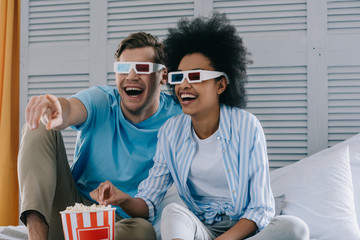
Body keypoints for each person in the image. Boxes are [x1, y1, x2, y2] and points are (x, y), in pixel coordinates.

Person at [90, 13, 310, 240]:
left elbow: (260, 209)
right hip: (200, 230)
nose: (184, 85)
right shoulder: (171, 132)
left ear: (221, 85)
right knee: (173, 212)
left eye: (195, 76)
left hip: (244, 231)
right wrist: (123, 198)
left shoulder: (246, 126)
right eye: (179, 77)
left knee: (295, 228)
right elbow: (149, 202)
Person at [18, 32, 183, 240]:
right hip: (71, 212)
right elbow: (69, 109)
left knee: (143, 232)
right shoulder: (102, 100)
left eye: (142, 68)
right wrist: (57, 109)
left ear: (164, 76)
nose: (131, 76)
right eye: (123, 68)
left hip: (120, 223)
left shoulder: (180, 115)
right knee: (41, 126)